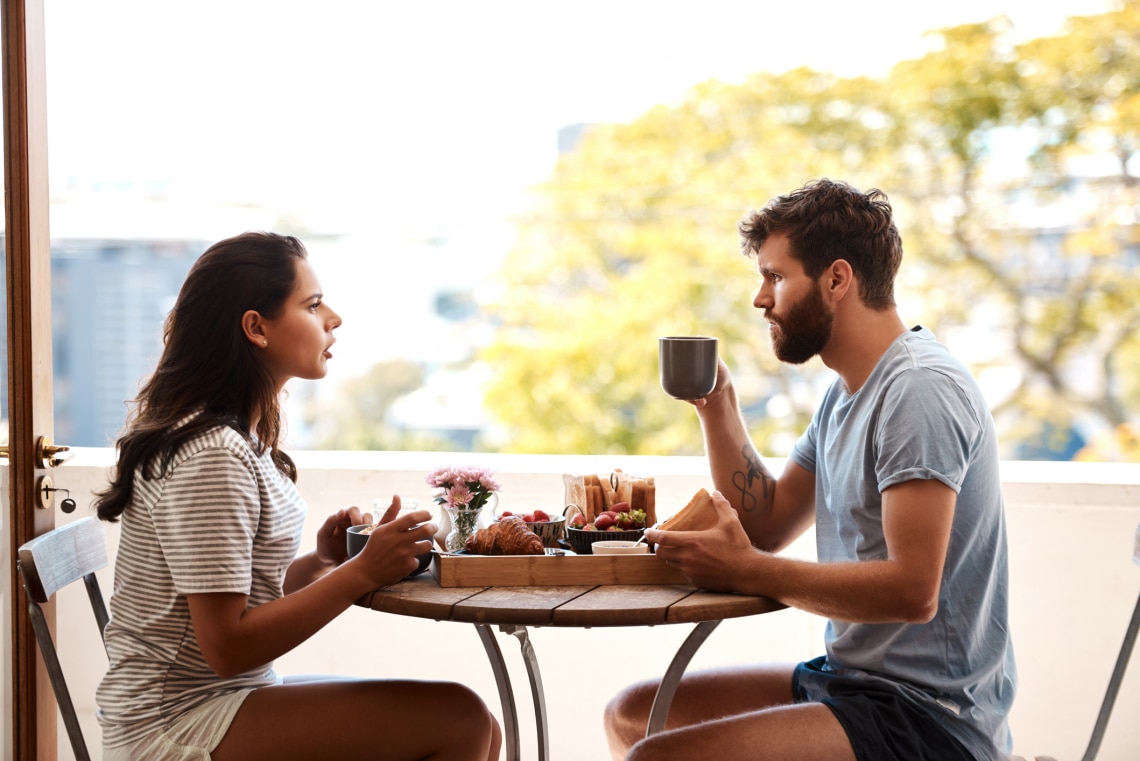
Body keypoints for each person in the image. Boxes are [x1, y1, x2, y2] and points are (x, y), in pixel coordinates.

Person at [605, 179, 1017, 761]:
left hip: (928, 716)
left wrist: (750, 571)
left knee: (660, 757)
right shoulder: (845, 395)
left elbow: (912, 590)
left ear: (837, 279)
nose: (760, 298)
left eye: (775, 276)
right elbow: (766, 525)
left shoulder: (919, 389)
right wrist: (718, 403)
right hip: (851, 682)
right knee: (633, 716)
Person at [94, 231, 502, 761]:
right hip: (173, 725)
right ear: (255, 328)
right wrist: (360, 573)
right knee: (460, 719)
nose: (333, 318)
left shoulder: (238, 438)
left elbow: (232, 602)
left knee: (482, 725)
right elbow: (227, 648)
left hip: (225, 699)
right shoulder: (211, 454)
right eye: (312, 305)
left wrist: (322, 561)